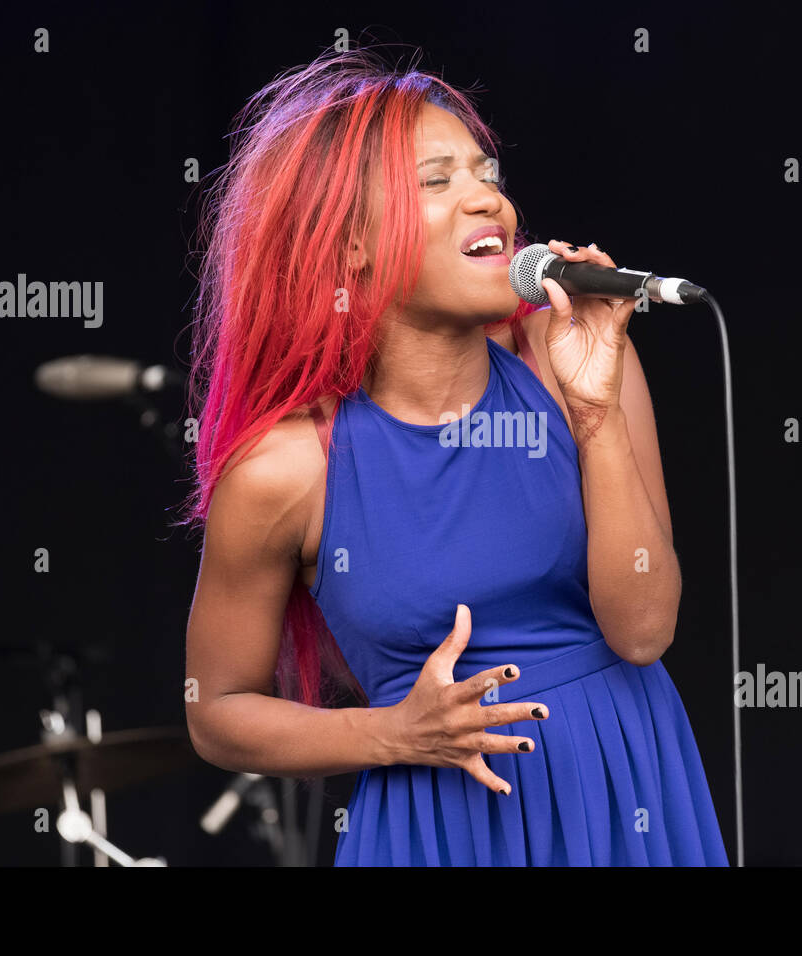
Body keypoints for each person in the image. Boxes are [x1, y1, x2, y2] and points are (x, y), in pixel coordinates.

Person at [181, 46, 729, 866]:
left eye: (486, 173)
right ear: (348, 247)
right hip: (439, 830)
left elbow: (645, 630)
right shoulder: (288, 471)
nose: (490, 200)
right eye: (436, 182)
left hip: (624, 791)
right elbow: (215, 709)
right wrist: (394, 732)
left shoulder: (563, 358)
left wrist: (594, 415)